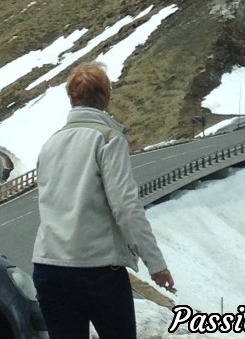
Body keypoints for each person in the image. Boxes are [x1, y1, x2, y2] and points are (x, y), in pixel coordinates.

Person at [32, 61, 174, 339]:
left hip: (48, 266)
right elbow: (126, 206)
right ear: (107, 98)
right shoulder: (108, 139)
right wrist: (155, 264)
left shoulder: (50, 143)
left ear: (70, 97)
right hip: (95, 270)